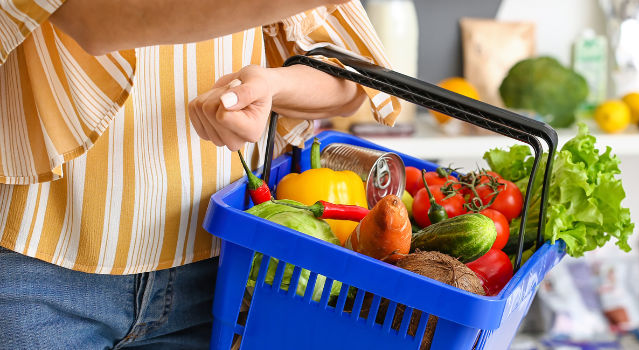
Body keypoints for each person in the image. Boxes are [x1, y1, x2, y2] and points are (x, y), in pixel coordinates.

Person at [0, 0, 400, 348]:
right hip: (41, 268)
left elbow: (353, 75)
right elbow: (93, 20)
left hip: (217, 272)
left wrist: (271, 83)